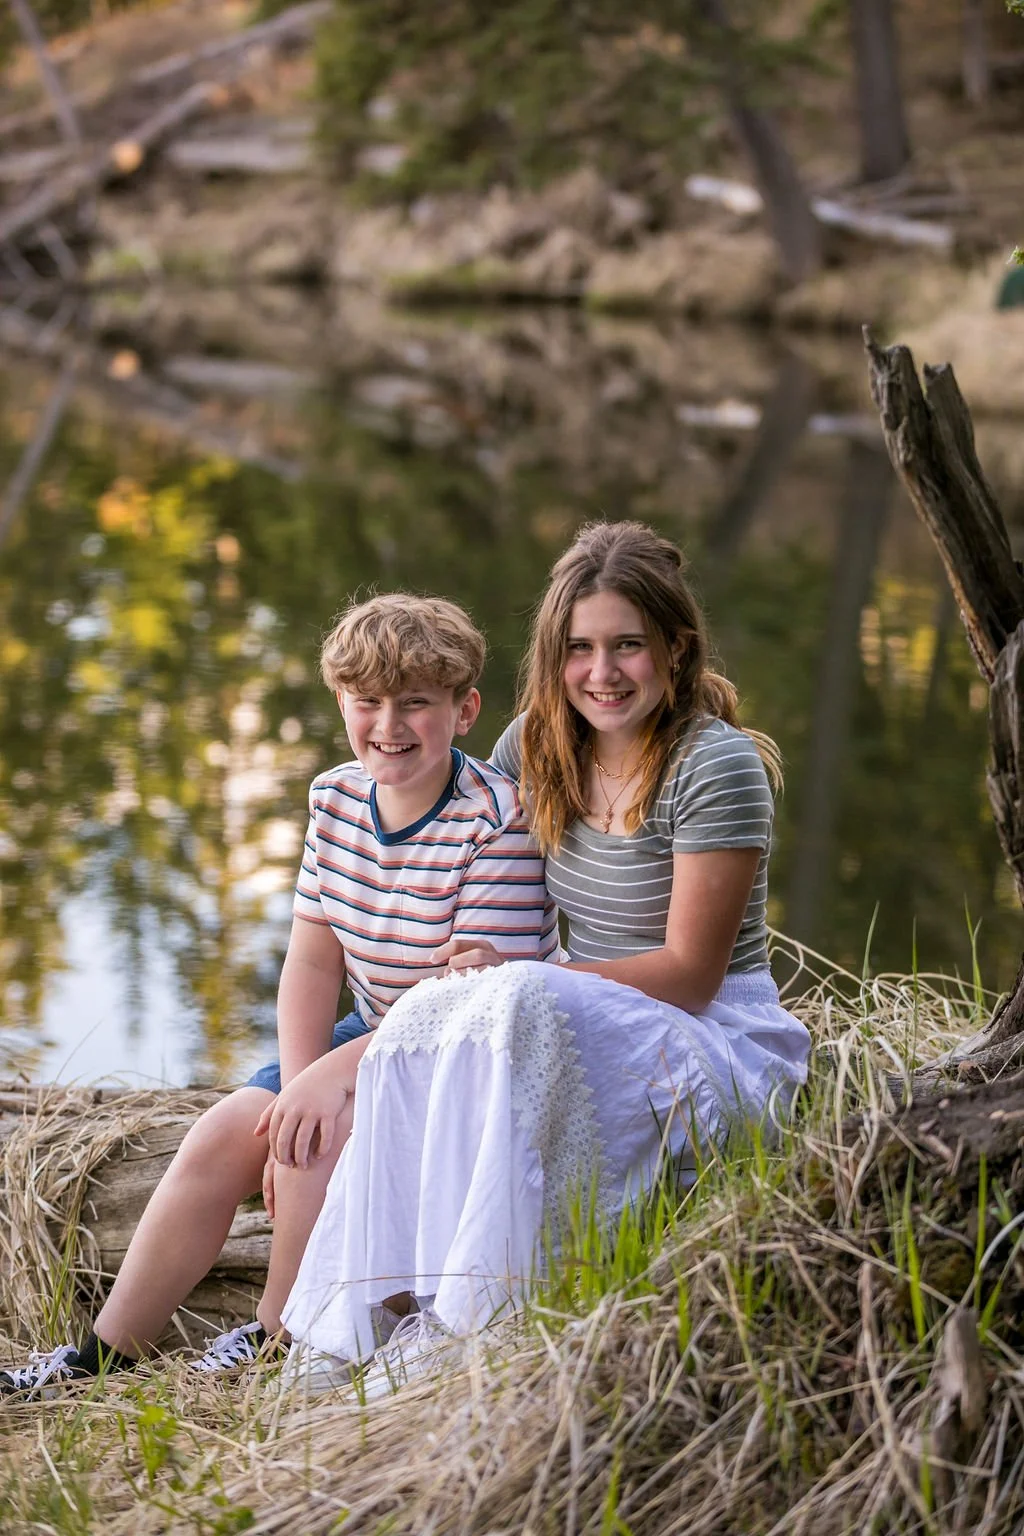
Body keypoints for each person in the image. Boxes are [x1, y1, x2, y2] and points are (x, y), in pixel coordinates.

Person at [280, 521, 811, 1394]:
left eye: (627, 646)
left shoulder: (713, 766)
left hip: (709, 1034)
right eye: (580, 649)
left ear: (675, 649)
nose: (601, 673)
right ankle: (348, 1316)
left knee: (501, 1000)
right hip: (580, 1007)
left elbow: (690, 974)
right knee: (450, 1005)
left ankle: (464, 1317)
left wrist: (516, 978)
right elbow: (461, 859)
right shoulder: (535, 743)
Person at [0, 594, 557, 1398]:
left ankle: (276, 1335)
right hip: (365, 1028)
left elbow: (462, 1004)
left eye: (416, 703)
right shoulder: (335, 801)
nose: (388, 724)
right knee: (223, 1134)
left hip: (454, 1053)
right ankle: (101, 1357)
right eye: (366, 701)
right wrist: (302, 1081)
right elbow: (312, 963)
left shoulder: (496, 822)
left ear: (465, 710)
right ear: (340, 702)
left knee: (307, 1149)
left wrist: (324, 1096)